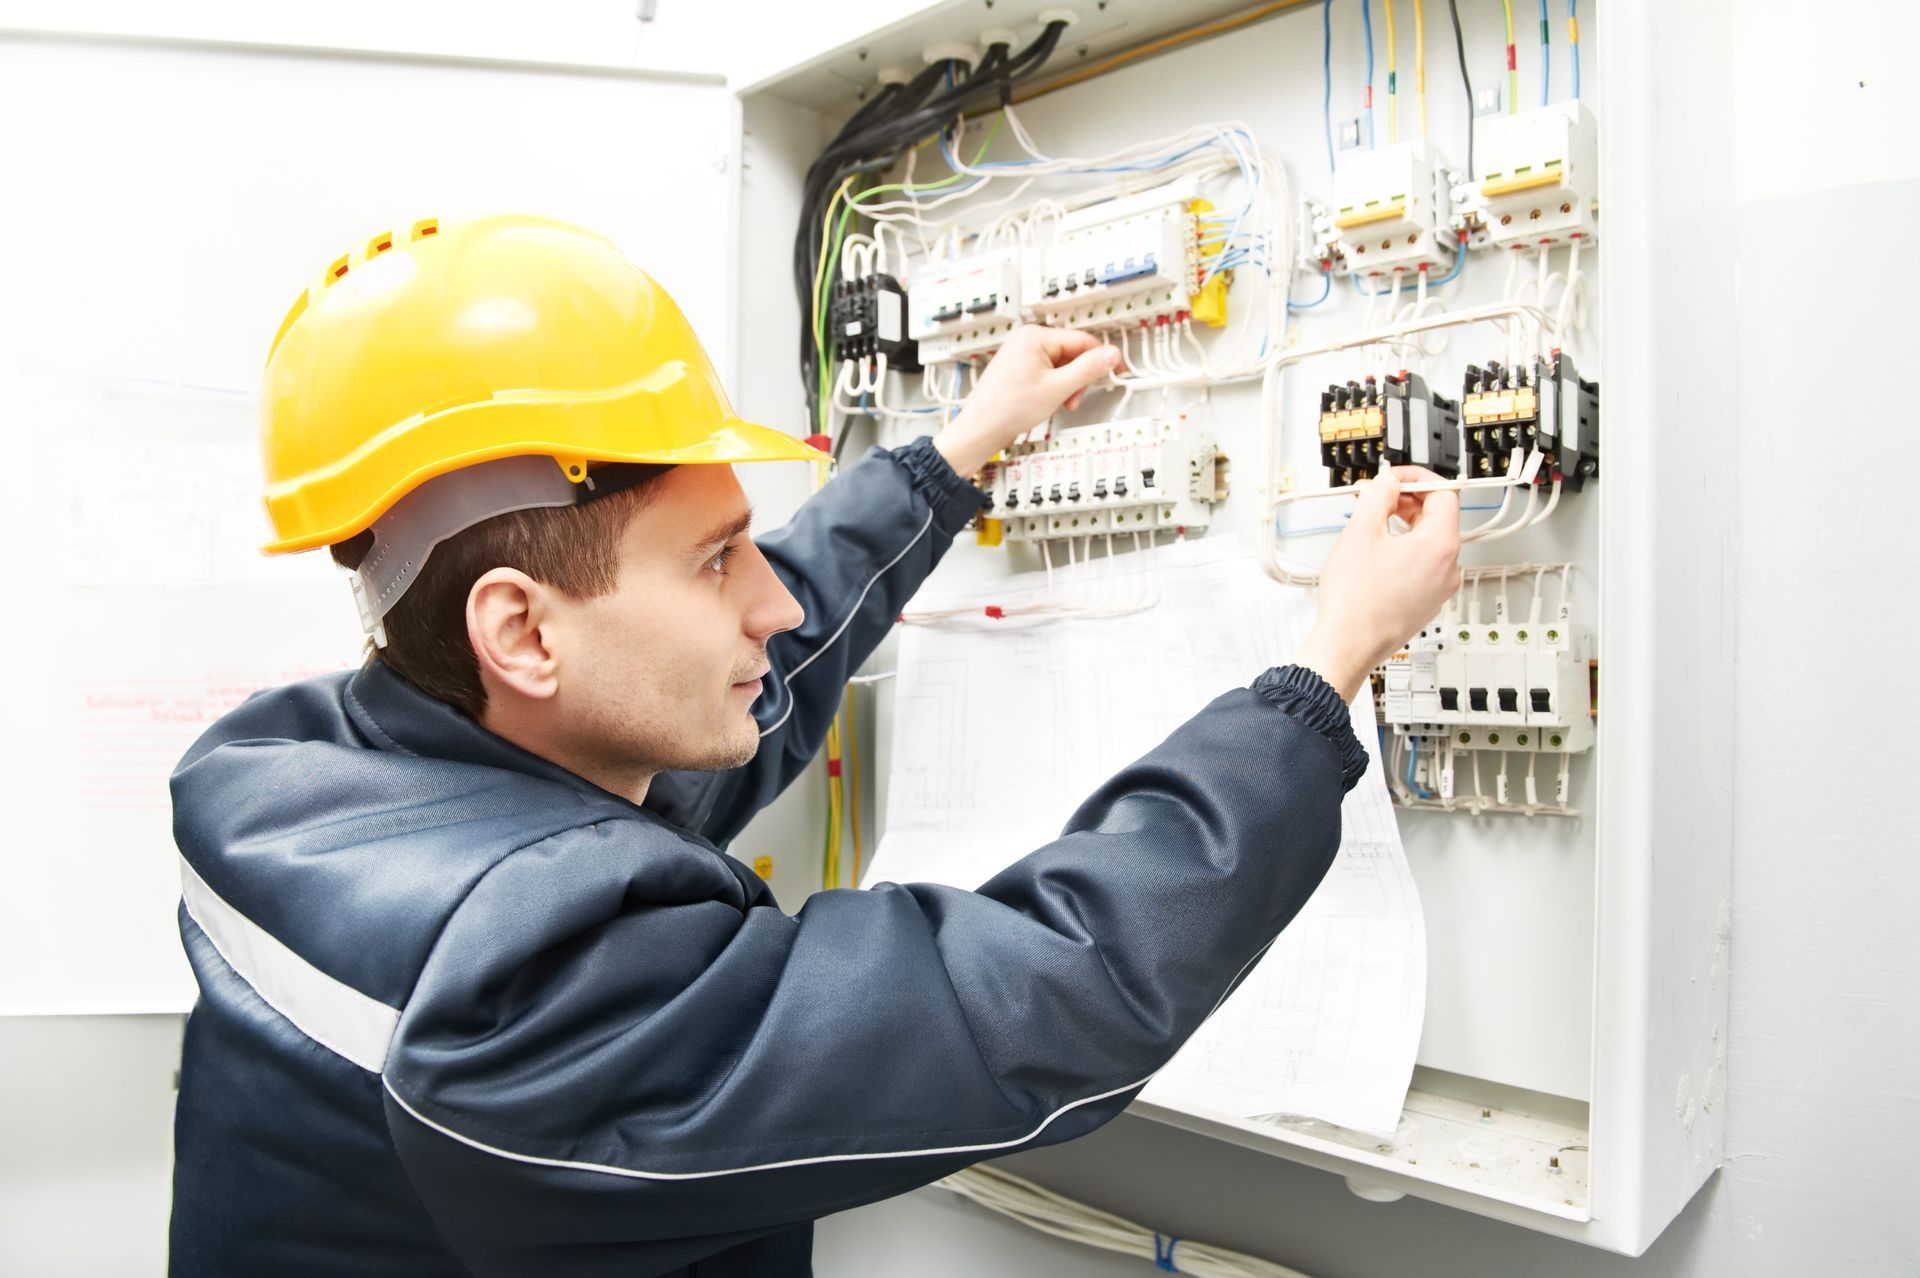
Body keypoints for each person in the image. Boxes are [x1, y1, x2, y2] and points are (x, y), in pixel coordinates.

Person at [169, 213, 1461, 1276]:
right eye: (716, 558)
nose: (770, 600)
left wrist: (955, 455)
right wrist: (1324, 664)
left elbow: (730, 695)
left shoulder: (301, 775)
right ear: (519, 630)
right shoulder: (532, 987)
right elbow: (1050, 988)